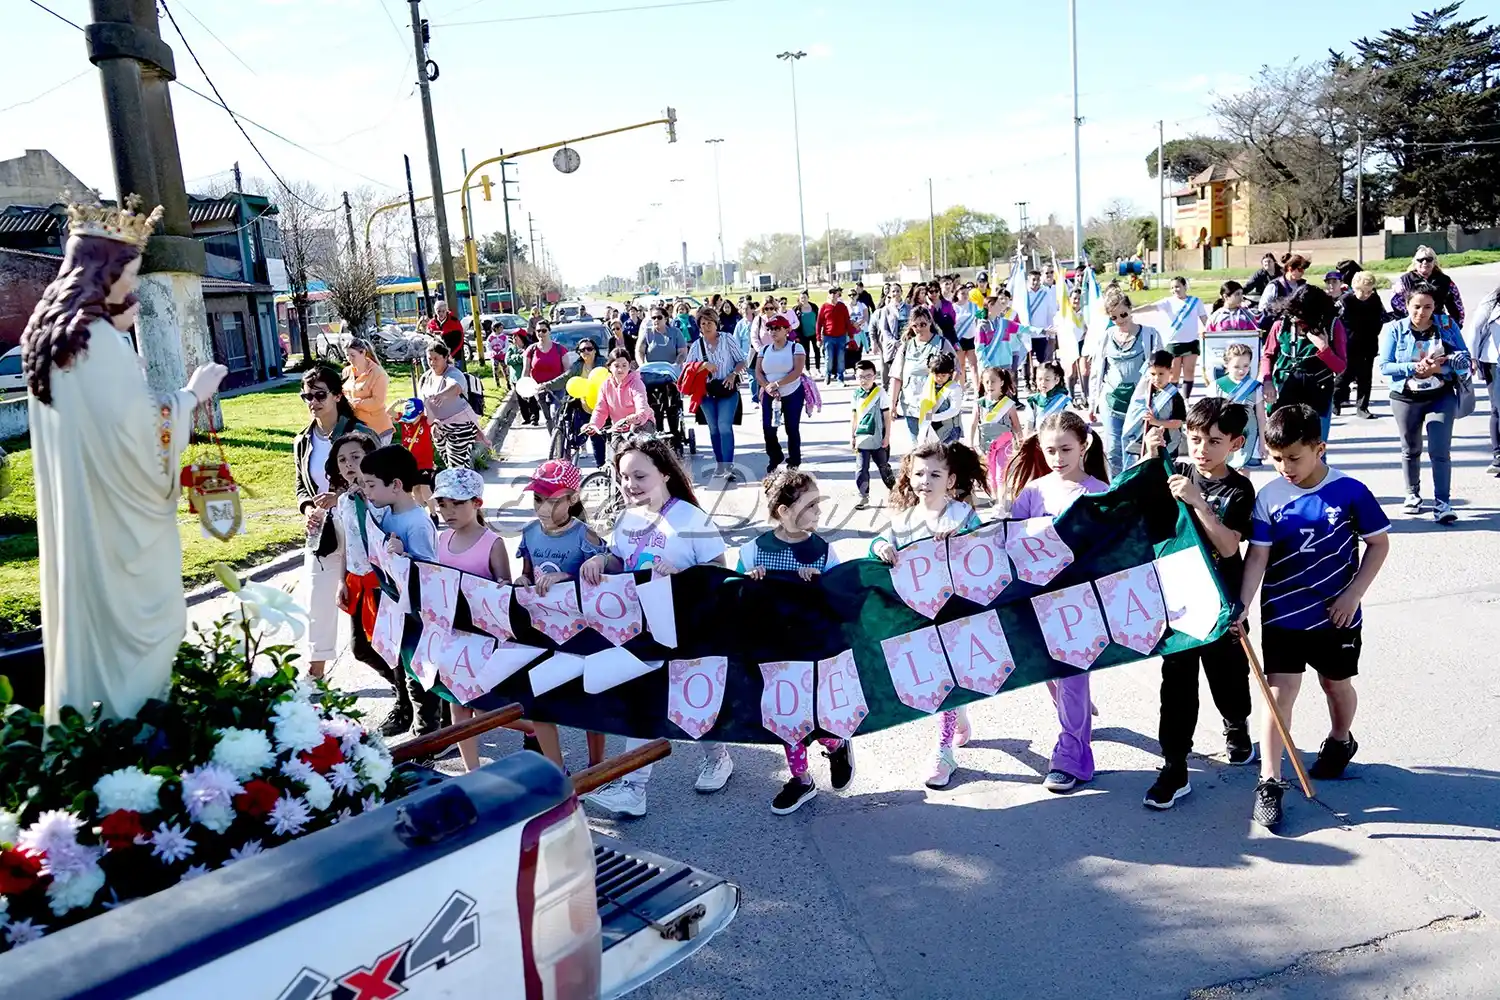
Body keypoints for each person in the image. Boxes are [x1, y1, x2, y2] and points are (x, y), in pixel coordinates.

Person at [22, 197, 228, 725]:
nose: (132, 286)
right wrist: (191, 394)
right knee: (147, 632)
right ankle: (128, 740)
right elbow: (139, 435)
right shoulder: (98, 342)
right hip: (120, 529)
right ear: (105, 270)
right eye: (130, 273)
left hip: (84, 518)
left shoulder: (53, 340)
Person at [1237, 404, 1390, 829]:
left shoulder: (1351, 491)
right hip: (1283, 613)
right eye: (1276, 457)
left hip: (1336, 615)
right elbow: (1258, 556)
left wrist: (1353, 594)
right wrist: (1243, 604)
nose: (1284, 466)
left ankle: (1341, 740)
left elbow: (1378, 545)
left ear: (1319, 448)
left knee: (1335, 685)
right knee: (1278, 693)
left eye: (1294, 457)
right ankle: (1269, 781)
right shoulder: (1269, 497)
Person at [580, 437, 732, 817]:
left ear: (664, 474)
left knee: (689, 701)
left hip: (688, 627)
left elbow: (721, 570)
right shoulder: (627, 518)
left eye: (639, 475)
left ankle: (717, 757)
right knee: (649, 700)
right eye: (624, 477)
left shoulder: (692, 519)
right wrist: (601, 562)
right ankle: (633, 788)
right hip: (639, 629)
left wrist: (683, 575)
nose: (630, 484)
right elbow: (620, 560)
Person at [1140, 398, 1257, 810]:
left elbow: (1229, 545)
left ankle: (1236, 724)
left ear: (1235, 443)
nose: (1202, 449)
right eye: (1194, 439)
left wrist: (1198, 502)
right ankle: (1175, 765)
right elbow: (1145, 502)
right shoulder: (1178, 471)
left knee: (1229, 679)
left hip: (1223, 604)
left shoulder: (1239, 488)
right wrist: (1153, 452)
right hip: (1179, 603)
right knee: (1177, 685)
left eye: (1214, 441)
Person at [1004, 410, 1111, 793]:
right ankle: (1075, 712)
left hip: (1081, 603)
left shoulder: (1099, 491)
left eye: (1066, 448)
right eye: (1050, 451)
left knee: (1072, 677)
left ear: (1085, 445)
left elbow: (1112, 548)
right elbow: (1007, 541)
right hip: (1036, 601)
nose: (1058, 458)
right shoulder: (1032, 492)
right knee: (1047, 670)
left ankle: (1072, 755)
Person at [871, 441, 988, 789]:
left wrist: (962, 540)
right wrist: (881, 548)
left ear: (950, 480)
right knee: (939, 679)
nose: (926, 480)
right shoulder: (904, 520)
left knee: (947, 679)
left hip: (957, 613)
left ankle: (944, 750)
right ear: (909, 475)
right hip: (920, 616)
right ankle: (960, 715)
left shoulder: (963, 515)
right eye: (919, 473)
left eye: (935, 474)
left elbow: (985, 548)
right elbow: (876, 543)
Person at [737, 469, 852, 814]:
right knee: (784, 717)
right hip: (771, 652)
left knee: (814, 719)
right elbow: (736, 599)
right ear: (784, 511)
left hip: (813, 652)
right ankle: (801, 779)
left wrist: (820, 585)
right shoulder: (753, 551)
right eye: (811, 504)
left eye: (818, 503)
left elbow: (842, 601)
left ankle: (835, 745)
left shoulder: (824, 552)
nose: (819, 511)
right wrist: (748, 581)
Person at [431, 468, 526, 773]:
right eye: (443, 503)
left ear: (477, 503)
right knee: (456, 702)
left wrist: (500, 586)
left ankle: (535, 727)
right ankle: (472, 770)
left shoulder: (492, 542)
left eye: (457, 503)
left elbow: (504, 589)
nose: (448, 511)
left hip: (484, 638)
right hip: (452, 634)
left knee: (484, 703)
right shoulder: (440, 539)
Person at [360, 444, 446, 739]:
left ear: (396, 485)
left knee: (420, 673)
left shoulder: (417, 522)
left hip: (419, 613)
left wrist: (404, 557)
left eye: (371, 484)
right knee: (409, 668)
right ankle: (432, 729)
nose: (367, 491)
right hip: (399, 607)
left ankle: (428, 735)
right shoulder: (388, 513)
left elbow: (429, 572)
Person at [326, 429, 408, 735]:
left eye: (356, 457)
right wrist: (341, 581)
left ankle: (406, 705)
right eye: (342, 459)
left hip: (381, 584)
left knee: (391, 647)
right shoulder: (345, 500)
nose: (349, 464)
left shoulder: (380, 498)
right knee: (362, 649)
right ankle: (405, 692)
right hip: (356, 581)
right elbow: (346, 542)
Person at [295, 367, 374, 680]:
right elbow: (301, 486)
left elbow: (375, 479)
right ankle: (315, 672)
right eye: (307, 396)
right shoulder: (303, 439)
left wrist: (340, 494)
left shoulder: (359, 433)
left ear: (338, 395)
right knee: (317, 597)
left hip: (360, 526)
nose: (312, 401)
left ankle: (396, 674)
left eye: (319, 394)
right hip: (323, 532)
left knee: (366, 602)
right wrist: (307, 509)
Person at [1379, 282, 1471, 524]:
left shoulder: (1447, 325)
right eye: (1416, 306)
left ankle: (1443, 503)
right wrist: (1414, 367)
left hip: (1440, 395)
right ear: (1407, 305)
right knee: (1410, 449)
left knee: (1440, 451)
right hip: (1405, 396)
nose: (1422, 312)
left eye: (1428, 307)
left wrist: (1441, 366)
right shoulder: (1394, 329)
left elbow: (1464, 359)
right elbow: (1385, 366)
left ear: (1435, 307)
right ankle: (1412, 494)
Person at [1087, 288, 1163, 473]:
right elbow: (1097, 371)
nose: (1120, 320)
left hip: (1138, 402)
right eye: (1114, 317)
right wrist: (1092, 404)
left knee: (1133, 449)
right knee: (1113, 449)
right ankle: (1116, 491)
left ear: (1130, 309)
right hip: (1111, 400)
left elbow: (1161, 369)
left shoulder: (1150, 335)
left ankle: (1131, 490)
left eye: (1123, 314)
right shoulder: (1106, 337)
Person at [1261, 284, 1347, 443]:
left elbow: (1340, 367)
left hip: (1318, 391)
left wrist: (1324, 349)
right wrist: (1267, 381)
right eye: (1294, 315)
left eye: (1301, 317)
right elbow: (1268, 355)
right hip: (1286, 388)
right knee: (1283, 444)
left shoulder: (1333, 325)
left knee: (1315, 447)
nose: (1297, 320)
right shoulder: (1281, 325)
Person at [687, 307, 747, 480]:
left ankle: (728, 467)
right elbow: (687, 368)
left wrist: (733, 374)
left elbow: (741, 360)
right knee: (713, 429)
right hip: (706, 392)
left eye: (710, 323)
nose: (706, 327)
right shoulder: (697, 345)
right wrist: (702, 366)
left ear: (716, 323)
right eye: (703, 323)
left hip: (727, 389)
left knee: (724, 426)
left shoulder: (727, 339)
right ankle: (720, 466)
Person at [890, 305, 955, 442]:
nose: (919, 328)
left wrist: (949, 395)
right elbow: (896, 377)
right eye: (915, 325)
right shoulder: (906, 347)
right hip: (911, 404)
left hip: (937, 406)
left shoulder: (942, 344)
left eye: (923, 324)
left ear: (930, 322)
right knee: (918, 448)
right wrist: (892, 405)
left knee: (942, 448)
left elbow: (956, 371)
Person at [756, 314, 809, 474]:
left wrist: (778, 384)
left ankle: (794, 460)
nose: (773, 332)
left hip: (792, 392)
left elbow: (797, 372)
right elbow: (758, 372)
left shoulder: (796, 348)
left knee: (792, 428)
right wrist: (767, 386)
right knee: (768, 428)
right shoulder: (764, 350)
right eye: (770, 329)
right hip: (770, 394)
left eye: (777, 328)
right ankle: (775, 456)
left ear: (786, 330)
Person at [419, 342, 482, 469]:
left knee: (456, 467)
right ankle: (466, 484)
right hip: (438, 428)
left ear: (446, 357)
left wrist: (442, 395)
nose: (432, 363)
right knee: (451, 465)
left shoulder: (454, 373)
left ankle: (463, 486)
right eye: (429, 359)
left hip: (459, 426)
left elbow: (455, 387)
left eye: (436, 359)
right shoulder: (426, 377)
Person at [1334, 271, 1388, 419]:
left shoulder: (1375, 300)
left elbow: (1382, 317)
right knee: (1345, 375)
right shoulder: (1345, 301)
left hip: (1368, 344)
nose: (1366, 294)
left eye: (1369, 291)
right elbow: (1334, 322)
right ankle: (1335, 400)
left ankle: (1362, 407)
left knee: (1365, 377)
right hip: (1348, 345)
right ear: (1354, 288)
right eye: (1362, 291)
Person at [1121, 350, 1187, 468]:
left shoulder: (1174, 396)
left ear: (1170, 372)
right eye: (1152, 374)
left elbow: (1178, 423)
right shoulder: (1143, 392)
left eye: (1161, 374)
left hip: (1166, 444)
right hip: (1143, 443)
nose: (1156, 378)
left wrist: (1156, 422)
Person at [1211, 343, 1268, 468]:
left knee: (1244, 471)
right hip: (1223, 435)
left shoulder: (1255, 387)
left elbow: (1260, 417)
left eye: (1246, 366)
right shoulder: (1216, 386)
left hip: (1249, 435)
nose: (1242, 370)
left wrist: (1263, 443)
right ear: (1226, 365)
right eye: (1236, 366)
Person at [971, 365, 1023, 501]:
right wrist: (970, 443)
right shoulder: (979, 404)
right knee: (990, 474)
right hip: (986, 445)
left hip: (1004, 444)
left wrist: (1020, 442)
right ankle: (994, 498)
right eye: (986, 382)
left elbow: (1016, 425)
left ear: (1002, 382)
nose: (990, 385)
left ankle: (1001, 501)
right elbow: (973, 424)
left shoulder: (1008, 404)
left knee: (1001, 473)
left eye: (993, 381)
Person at [850, 359, 895, 509]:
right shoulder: (856, 394)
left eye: (868, 376)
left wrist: (887, 436)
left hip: (878, 437)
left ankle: (895, 491)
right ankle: (863, 496)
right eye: (861, 376)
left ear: (874, 376)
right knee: (861, 468)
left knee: (883, 465)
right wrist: (852, 436)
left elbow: (887, 417)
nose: (864, 380)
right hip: (862, 438)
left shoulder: (880, 393)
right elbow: (854, 416)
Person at [1153, 277, 1208, 399]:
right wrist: (1132, 311)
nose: (1175, 290)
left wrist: (1211, 332)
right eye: (1172, 287)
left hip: (1191, 342)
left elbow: (1205, 319)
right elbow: (1151, 307)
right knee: (1174, 374)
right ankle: (1172, 399)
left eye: (1177, 286)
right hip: (1174, 343)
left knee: (1189, 371)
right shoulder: (1167, 302)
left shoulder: (1195, 301)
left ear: (1185, 287)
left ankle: (1186, 400)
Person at [1390, 246, 1464, 326]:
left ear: (1434, 262)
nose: (1424, 262)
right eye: (1420, 260)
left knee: (1450, 334)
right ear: (1415, 262)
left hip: (1438, 320)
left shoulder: (1445, 280)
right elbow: (1396, 303)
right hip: (1413, 322)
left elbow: (1457, 306)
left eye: (1429, 259)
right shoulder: (1405, 280)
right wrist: (1412, 316)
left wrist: (1453, 326)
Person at [1470, 282, 1500, 477]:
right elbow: (1475, 329)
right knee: (1497, 408)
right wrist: (1472, 358)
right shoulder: (1491, 302)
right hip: (1494, 362)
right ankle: (1498, 455)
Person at [341, 338, 394, 443]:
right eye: (347, 355)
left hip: (378, 430)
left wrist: (355, 403)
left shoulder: (378, 373)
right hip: (355, 429)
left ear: (363, 352)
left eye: (353, 355)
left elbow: (377, 402)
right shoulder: (346, 372)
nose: (349, 359)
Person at [523, 320, 569, 431]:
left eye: (544, 331)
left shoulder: (560, 349)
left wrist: (568, 388)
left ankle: (561, 438)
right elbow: (526, 371)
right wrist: (524, 389)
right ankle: (555, 443)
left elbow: (567, 371)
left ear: (549, 331)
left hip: (557, 388)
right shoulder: (531, 350)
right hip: (539, 389)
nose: (541, 333)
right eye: (538, 331)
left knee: (555, 414)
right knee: (548, 418)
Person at [1022, 269, 1060, 386]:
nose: (1036, 282)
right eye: (1033, 279)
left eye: (1038, 279)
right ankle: (1027, 381)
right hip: (1027, 333)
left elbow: (1050, 312)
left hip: (1042, 333)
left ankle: (1039, 381)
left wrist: (1051, 331)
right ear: (1029, 280)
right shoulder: (1024, 294)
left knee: (1042, 360)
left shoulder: (1045, 293)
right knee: (1026, 360)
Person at [918, 352, 963, 444]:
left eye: (943, 375)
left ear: (950, 373)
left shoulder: (954, 388)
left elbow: (954, 410)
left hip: (950, 431)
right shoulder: (928, 386)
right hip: (931, 429)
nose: (939, 378)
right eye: (937, 375)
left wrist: (932, 417)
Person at [1258, 253, 1308, 324]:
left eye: (1304, 270)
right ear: (1290, 269)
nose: (1303, 272)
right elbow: (1262, 308)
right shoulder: (1274, 286)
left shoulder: (1303, 285)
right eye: (1300, 270)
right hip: (1277, 327)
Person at [817, 286, 853, 385]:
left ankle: (840, 378)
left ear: (838, 294)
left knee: (841, 358)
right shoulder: (824, 307)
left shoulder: (842, 307)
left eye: (835, 292)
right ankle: (827, 375)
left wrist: (851, 336)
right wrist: (818, 338)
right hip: (828, 337)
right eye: (831, 292)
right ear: (828, 294)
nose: (833, 295)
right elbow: (819, 323)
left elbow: (847, 321)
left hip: (841, 336)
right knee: (829, 358)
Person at [1026, 361, 1071, 433]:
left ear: (1056, 380)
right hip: (1038, 438)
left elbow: (1070, 424)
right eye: (1040, 379)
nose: (1043, 383)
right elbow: (1029, 425)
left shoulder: (1064, 401)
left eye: (1047, 379)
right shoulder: (1033, 400)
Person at [428, 300, 466, 368]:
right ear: (435, 311)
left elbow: (460, 340)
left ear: (446, 310)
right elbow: (429, 341)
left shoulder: (454, 322)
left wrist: (451, 354)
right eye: (439, 311)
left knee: (455, 376)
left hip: (454, 356)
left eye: (443, 311)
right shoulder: (431, 323)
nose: (441, 314)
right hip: (438, 358)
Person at [795, 290, 821, 372]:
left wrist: (820, 332)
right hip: (803, 334)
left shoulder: (814, 307)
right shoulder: (796, 309)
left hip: (814, 333)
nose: (803, 299)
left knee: (817, 351)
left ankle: (818, 369)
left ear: (808, 298)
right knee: (806, 352)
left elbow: (819, 320)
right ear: (799, 299)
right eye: (801, 298)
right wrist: (796, 335)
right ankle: (808, 369)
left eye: (805, 297)